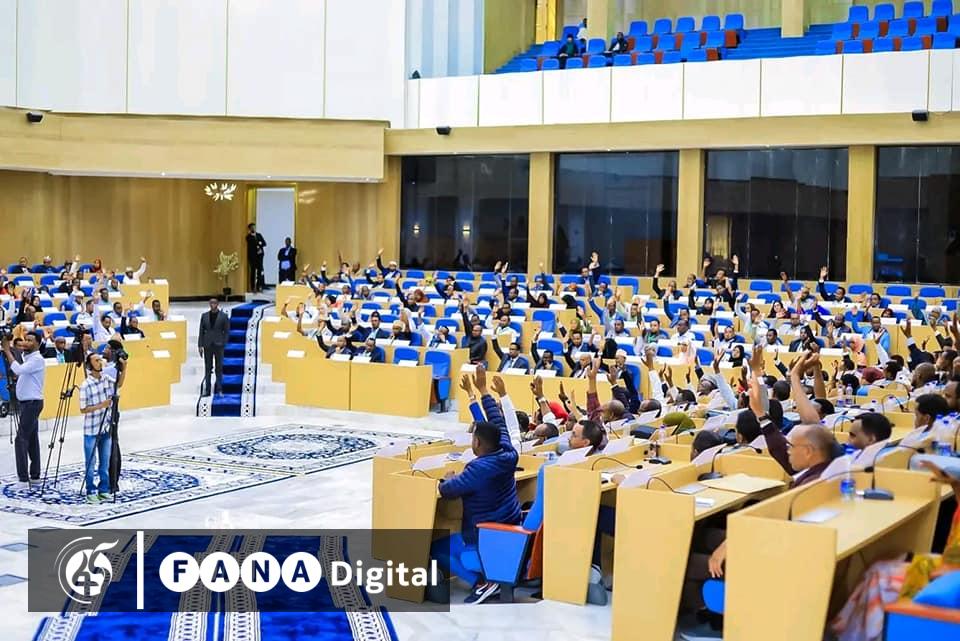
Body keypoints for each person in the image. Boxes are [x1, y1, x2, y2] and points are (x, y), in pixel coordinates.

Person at [434, 366, 520, 605]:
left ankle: (482, 583)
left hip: (483, 534)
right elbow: (498, 423)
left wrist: (447, 478)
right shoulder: (509, 453)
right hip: (508, 525)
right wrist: (482, 391)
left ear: (477, 443)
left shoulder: (478, 469)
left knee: (435, 548)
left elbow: (447, 491)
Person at [78, 352, 125, 503]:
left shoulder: (106, 379)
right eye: (96, 360)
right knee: (90, 463)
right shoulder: (86, 385)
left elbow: (119, 384)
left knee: (105, 462)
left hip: (105, 427)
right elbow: (83, 409)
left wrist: (124, 367)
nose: (100, 362)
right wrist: (101, 405)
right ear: (90, 365)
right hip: (91, 430)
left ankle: (103, 489)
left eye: (100, 359)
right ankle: (90, 490)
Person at [2, 331, 45, 488]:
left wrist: (7, 350)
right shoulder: (28, 358)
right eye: (25, 339)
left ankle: (23, 479)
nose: (26, 342)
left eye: (30, 340)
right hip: (29, 403)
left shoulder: (37, 359)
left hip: (31, 404)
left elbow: (19, 370)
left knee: (20, 439)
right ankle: (35, 476)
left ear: (38, 344)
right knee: (32, 439)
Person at [198, 298, 229, 396]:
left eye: (214, 303)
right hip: (207, 344)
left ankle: (219, 389)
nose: (213, 304)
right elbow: (201, 331)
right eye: (211, 303)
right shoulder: (204, 316)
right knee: (208, 368)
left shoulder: (223, 316)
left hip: (219, 344)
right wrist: (200, 345)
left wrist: (224, 342)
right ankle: (207, 390)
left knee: (219, 368)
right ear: (209, 304)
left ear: (218, 304)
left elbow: (227, 331)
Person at [245, 223, 267, 292]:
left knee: (260, 271)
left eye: (254, 227)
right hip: (253, 257)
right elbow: (253, 244)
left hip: (260, 256)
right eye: (252, 227)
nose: (253, 228)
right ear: (249, 229)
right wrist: (258, 243)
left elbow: (264, 243)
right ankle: (252, 287)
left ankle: (259, 286)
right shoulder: (248, 237)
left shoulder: (259, 235)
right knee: (253, 272)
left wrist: (259, 244)